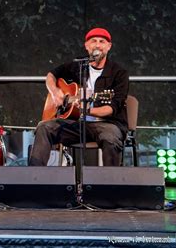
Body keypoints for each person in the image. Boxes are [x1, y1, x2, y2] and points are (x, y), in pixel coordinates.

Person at [29, 27, 129, 166]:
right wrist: (55, 93)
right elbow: (51, 75)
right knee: (44, 127)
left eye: (102, 41)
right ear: (86, 46)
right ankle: (34, 178)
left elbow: (113, 108)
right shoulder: (78, 66)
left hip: (107, 124)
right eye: (93, 41)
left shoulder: (119, 73)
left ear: (109, 46)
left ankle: (110, 184)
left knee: (110, 138)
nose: (98, 45)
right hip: (77, 124)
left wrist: (86, 110)